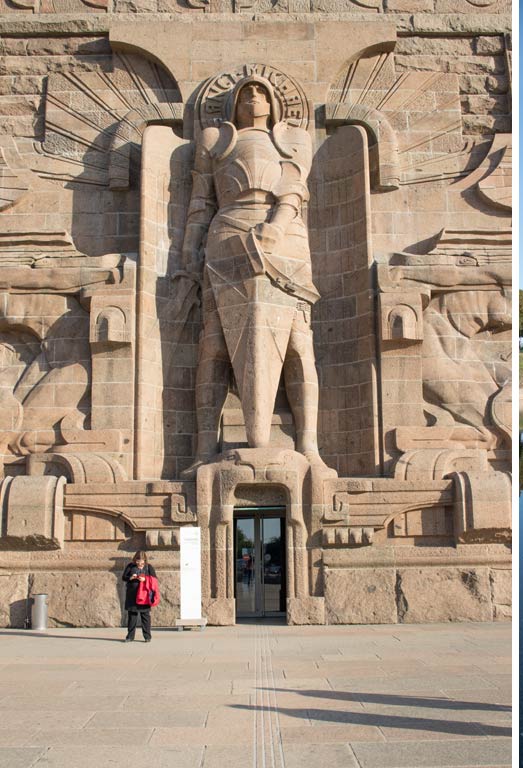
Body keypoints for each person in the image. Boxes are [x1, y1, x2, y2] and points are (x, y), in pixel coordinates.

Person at [180, 75, 324, 473]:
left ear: (275, 102)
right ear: (233, 103)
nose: (255, 98)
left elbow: (293, 190)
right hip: (226, 235)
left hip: (286, 238)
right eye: (247, 92)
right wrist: (189, 251)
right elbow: (199, 201)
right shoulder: (214, 140)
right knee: (214, 346)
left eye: (262, 92)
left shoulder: (293, 139)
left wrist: (276, 226)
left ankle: (309, 447)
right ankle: (204, 451)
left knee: (299, 343)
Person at [122, 551, 156, 643]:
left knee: (145, 616)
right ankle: (130, 636)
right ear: (135, 560)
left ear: (145, 560)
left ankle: (147, 637)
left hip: (144, 595)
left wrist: (145, 579)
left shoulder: (149, 567)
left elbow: (154, 579)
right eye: (137, 561)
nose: (139, 563)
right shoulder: (130, 566)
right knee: (132, 616)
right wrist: (131, 577)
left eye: (141, 561)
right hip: (132, 595)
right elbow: (124, 577)